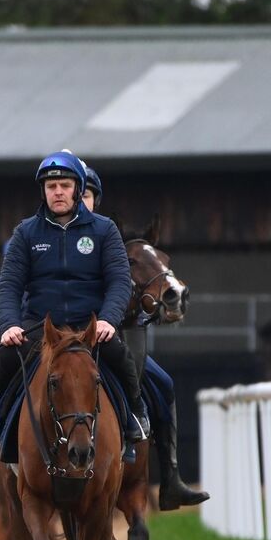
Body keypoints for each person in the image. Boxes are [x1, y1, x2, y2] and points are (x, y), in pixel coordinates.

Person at [0, 150, 147, 447]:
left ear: (78, 188)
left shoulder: (104, 229)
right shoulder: (25, 232)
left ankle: (136, 414)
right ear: (44, 191)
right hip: (42, 328)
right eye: (51, 186)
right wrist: (9, 324)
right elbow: (9, 284)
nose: (57, 192)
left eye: (65, 186)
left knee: (120, 357)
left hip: (90, 327)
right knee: (5, 359)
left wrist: (108, 320)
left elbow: (120, 281)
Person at [81, 160, 208, 510]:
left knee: (164, 384)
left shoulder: (107, 236)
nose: (81, 199)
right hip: (77, 339)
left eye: (87, 194)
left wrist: (157, 308)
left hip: (123, 340)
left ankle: (171, 477)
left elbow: (138, 295)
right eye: (79, 194)